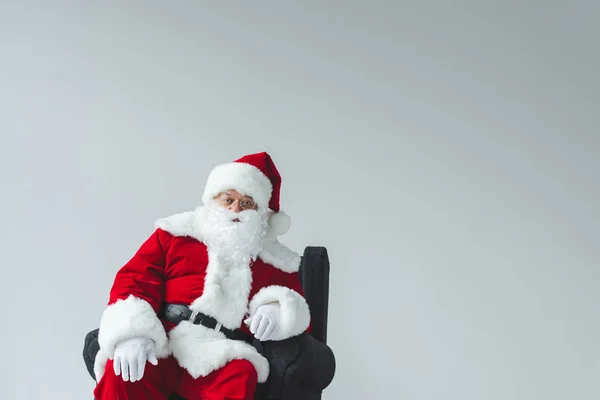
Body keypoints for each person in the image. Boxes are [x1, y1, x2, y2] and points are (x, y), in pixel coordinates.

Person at [92, 152, 311, 400]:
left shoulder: (278, 261)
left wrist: (276, 307)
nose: (235, 209)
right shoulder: (175, 234)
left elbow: (299, 307)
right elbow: (134, 279)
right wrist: (132, 333)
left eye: (247, 203)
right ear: (213, 199)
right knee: (123, 371)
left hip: (222, 353)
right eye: (228, 199)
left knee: (242, 373)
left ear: (261, 213)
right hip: (165, 339)